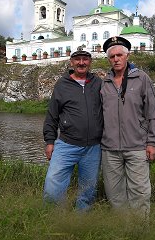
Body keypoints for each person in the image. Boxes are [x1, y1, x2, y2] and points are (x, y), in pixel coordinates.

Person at [100, 36, 155, 216]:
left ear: (127, 56)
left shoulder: (142, 78)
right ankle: (123, 227)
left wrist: (152, 143)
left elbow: (154, 112)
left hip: (137, 147)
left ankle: (140, 229)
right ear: (108, 59)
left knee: (140, 192)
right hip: (109, 149)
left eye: (119, 55)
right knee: (114, 194)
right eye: (112, 57)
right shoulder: (104, 82)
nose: (116, 59)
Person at [43, 50, 103, 211]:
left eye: (85, 59)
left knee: (88, 189)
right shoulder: (62, 85)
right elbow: (52, 115)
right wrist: (49, 141)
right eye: (77, 60)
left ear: (90, 62)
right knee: (53, 183)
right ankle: (52, 216)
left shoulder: (98, 83)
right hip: (66, 144)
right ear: (71, 62)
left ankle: (81, 220)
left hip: (93, 147)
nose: (81, 63)